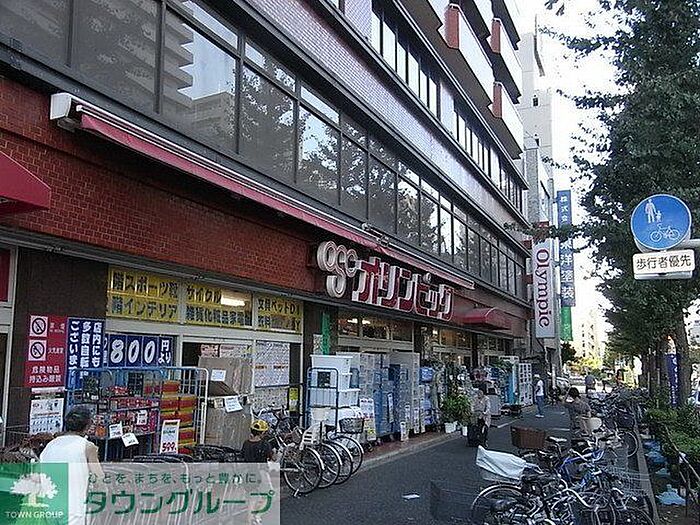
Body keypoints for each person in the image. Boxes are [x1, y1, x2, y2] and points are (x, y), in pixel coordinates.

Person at [40, 406, 104, 525]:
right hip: (73, 507)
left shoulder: (50, 446)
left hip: (49, 505)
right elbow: (99, 477)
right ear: (87, 426)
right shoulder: (88, 447)